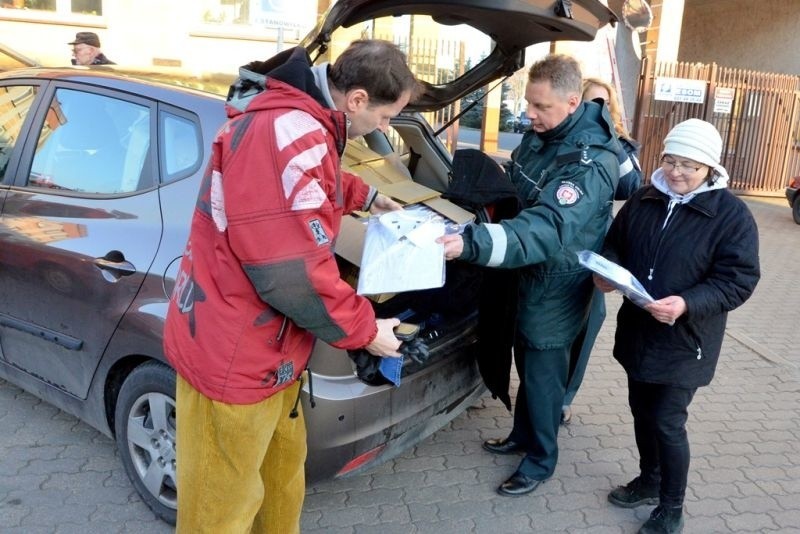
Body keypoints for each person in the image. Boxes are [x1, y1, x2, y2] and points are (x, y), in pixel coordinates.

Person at [163, 39, 419, 533]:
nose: (385, 129)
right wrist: (366, 330)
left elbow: (301, 190)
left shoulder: (308, 122)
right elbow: (288, 273)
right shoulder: (283, 130)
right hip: (234, 359)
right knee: (220, 510)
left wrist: (365, 194)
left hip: (273, 352)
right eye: (387, 117)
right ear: (357, 99)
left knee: (279, 487)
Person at [439, 54, 621, 496]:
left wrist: (473, 242)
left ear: (573, 101)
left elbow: (548, 227)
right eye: (529, 104)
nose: (529, 115)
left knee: (542, 376)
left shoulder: (589, 162)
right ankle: (522, 436)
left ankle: (540, 460)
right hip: (524, 275)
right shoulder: (546, 135)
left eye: (541, 107)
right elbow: (517, 190)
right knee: (524, 361)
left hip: (556, 285)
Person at [596, 118, 760, 533]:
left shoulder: (731, 216)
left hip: (687, 340)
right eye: (671, 159)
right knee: (640, 411)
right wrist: (607, 272)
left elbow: (738, 280)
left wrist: (688, 303)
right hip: (639, 330)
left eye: (690, 164)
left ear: (710, 168)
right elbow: (616, 244)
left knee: (668, 421)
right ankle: (649, 480)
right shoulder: (643, 199)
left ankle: (672, 506)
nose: (676, 171)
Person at [561, 77, 644, 425]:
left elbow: (631, 186)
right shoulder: (559, 136)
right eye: (590, 103)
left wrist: (610, 136)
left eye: (604, 105)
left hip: (593, 252)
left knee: (587, 323)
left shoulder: (617, 145)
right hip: (555, 247)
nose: (597, 110)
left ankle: (564, 398)